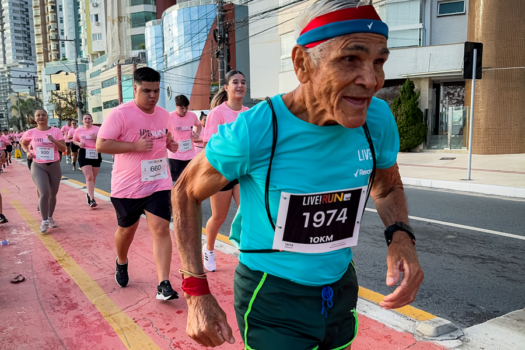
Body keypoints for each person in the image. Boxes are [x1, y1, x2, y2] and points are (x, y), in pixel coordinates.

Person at [171, 1, 424, 349]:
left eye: (379, 61)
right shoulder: (257, 129)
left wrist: (401, 236)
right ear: (303, 64)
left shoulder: (376, 119)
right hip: (272, 294)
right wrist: (196, 292)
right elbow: (185, 191)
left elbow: (387, 185)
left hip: (340, 289)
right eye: (351, 59)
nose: (371, 80)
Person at [96, 67, 180, 301]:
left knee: (161, 229)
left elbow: (167, 136)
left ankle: (163, 284)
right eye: (146, 91)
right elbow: (101, 145)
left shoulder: (164, 115)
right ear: (134, 88)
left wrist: (170, 145)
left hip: (158, 183)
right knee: (126, 231)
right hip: (127, 187)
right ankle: (121, 261)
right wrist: (134, 146)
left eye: (156, 90)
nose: (152, 96)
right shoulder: (120, 114)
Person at [200, 70, 249, 272]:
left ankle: (247, 251)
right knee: (219, 217)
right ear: (226, 87)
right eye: (235, 82)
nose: (240, 85)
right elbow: (209, 145)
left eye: (243, 82)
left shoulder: (249, 112)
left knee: (248, 213)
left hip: (244, 173)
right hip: (221, 173)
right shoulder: (217, 113)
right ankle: (209, 248)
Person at [21, 110, 66, 233]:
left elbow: (63, 148)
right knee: (44, 193)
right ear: (35, 119)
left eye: (43, 115)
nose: (41, 117)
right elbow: (23, 143)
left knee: (53, 194)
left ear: (47, 117)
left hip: (54, 165)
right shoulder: (31, 132)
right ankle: (44, 220)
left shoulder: (55, 131)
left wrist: (54, 141)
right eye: (38, 115)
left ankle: (50, 217)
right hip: (38, 165)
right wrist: (28, 152)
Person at [167, 95, 202, 183]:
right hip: (175, 155)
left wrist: (197, 133)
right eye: (181, 108)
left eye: (186, 108)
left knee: (191, 181)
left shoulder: (192, 115)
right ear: (176, 106)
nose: (184, 110)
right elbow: (164, 132)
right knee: (177, 182)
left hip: (190, 155)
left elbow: (199, 125)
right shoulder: (169, 116)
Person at [73, 114, 102, 208]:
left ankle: (89, 194)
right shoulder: (79, 130)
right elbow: (74, 140)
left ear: (92, 120)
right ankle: (92, 198)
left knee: (93, 177)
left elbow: (103, 141)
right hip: (84, 153)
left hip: (95, 153)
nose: (87, 120)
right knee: (89, 177)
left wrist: (96, 138)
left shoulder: (97, 129)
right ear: (82, 121)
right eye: (85, 118)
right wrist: (79, 143)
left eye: (89, 118)